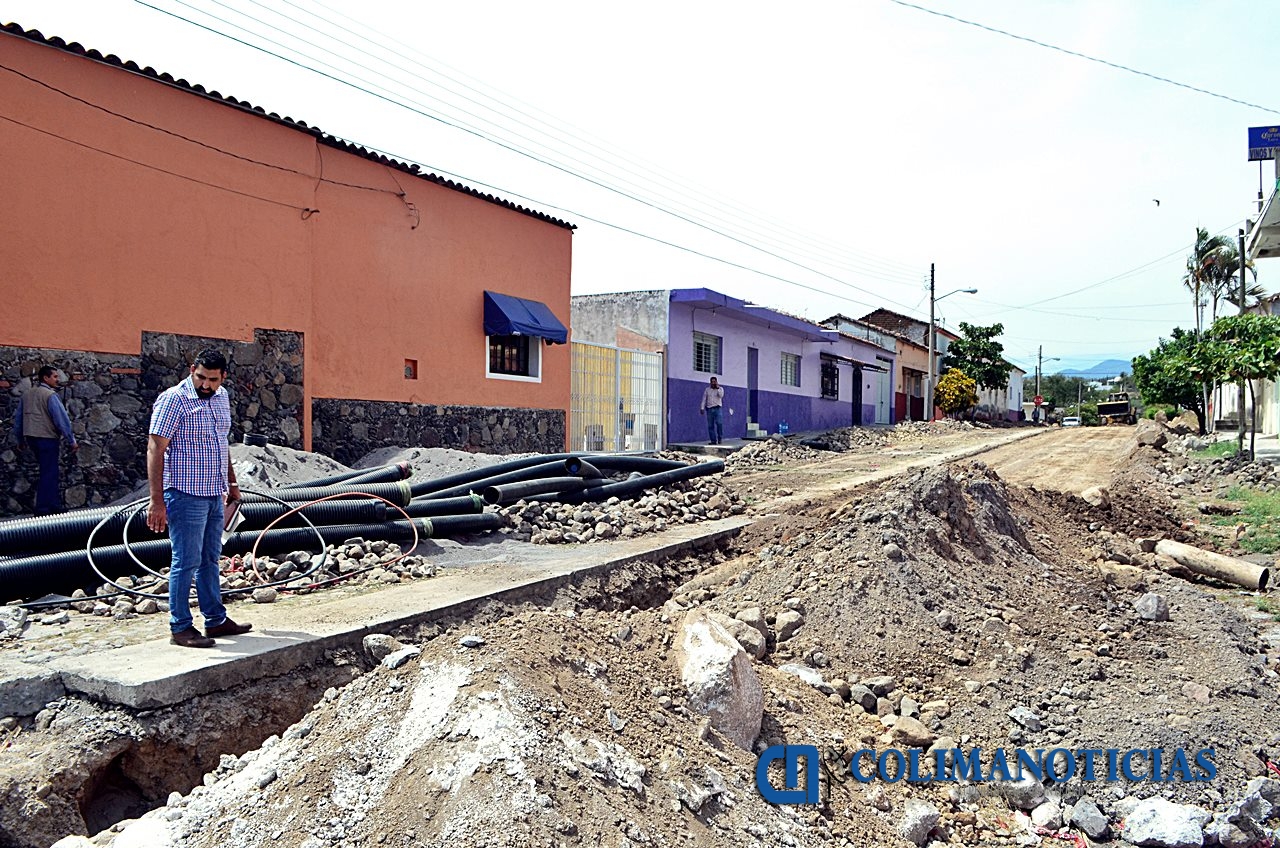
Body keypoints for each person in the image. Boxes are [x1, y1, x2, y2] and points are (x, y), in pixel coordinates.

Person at [146, 348, 251, 649]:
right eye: (201, 377)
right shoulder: (173, 400)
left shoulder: (222, 398)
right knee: (186, 561)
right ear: (192, 369)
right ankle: (180, 627)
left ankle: (215, 620)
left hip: (213, 493)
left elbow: (221, 443)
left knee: (209, 558)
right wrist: (157, 500)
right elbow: (155, 449)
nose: (205, 385)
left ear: (223, 378)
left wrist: (231, 483)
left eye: (212, 380)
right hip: (184, 493)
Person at [11, 366, 78, 515]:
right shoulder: (50, 395)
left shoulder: (27, 394)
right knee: (49, 472)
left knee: (46, 470)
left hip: (31, 437)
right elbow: (61, 419)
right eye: (54, 376)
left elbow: (19, 419)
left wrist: (20, 439)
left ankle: (51, 504)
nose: (57, 379)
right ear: (45, 378)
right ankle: (44, 508)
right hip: (47, 437)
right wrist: (71, 439)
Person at [699, 376, 725, 444]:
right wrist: (702, 408)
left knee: (719, 423)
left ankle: (720, 438)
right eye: (712, 382)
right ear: (710, 382)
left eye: (714, 381)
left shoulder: (720, 389)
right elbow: (704, 399)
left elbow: (721, 395)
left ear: (716, 382)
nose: (713, 383)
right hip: (709, 409)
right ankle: (713, 440)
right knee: (710, 426)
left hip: (717, 408)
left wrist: (718, 388)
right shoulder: (707, 390)